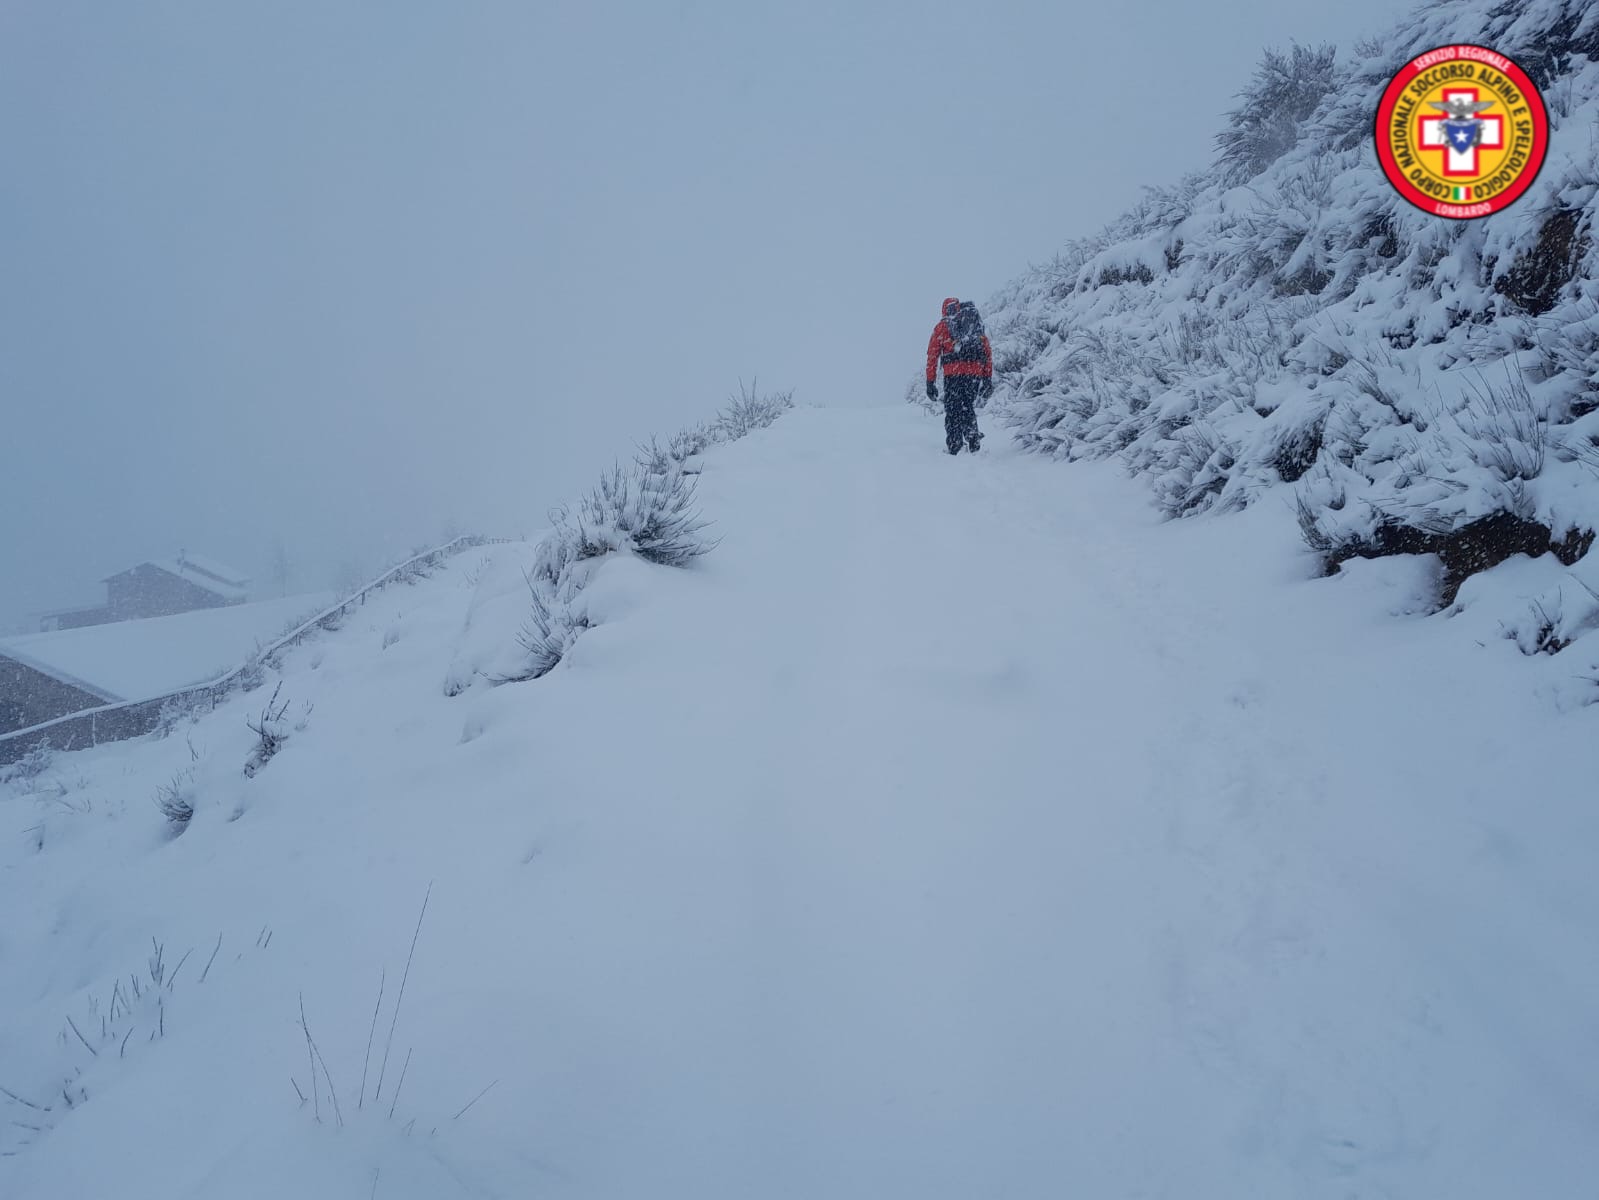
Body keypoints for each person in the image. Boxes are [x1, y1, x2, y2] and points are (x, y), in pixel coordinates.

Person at [925, 297, 994, 454]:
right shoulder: (973, 325)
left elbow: (932, 356)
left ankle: (955, 444)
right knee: (967, 405)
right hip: (973, 374)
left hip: (953, 374)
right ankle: (973, 439)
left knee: (953, 409)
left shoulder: (942, 327)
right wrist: (987, 378)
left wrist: (930, 382)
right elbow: (986, 352)